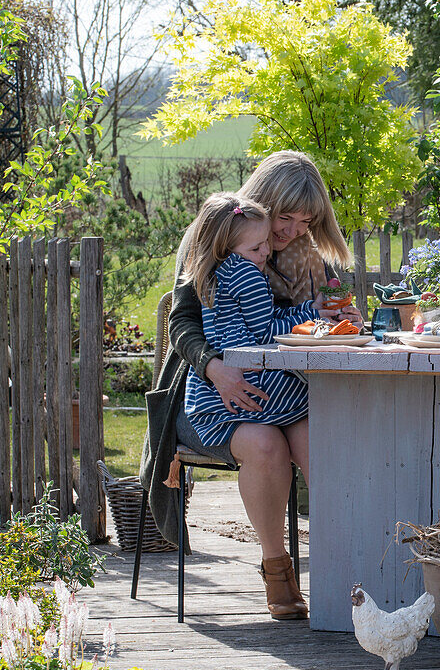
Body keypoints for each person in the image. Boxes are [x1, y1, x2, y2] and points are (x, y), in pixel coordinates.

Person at [141, 151, 358, 621]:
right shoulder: (219, 236)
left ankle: (349, 563)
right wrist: (214, 367)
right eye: (285, 217)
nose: (293, 230)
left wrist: (342, 318)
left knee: (318, 438)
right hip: (213, 391)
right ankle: (276, 568)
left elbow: (317, 315)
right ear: (264, 201)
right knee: (264, 445)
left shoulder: (307, 254)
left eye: (305, 221)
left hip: (283, 390)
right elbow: (181, 323)